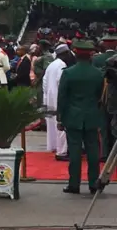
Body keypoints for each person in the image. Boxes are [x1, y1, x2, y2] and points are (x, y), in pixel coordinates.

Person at [57, 39, 105, 194]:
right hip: (91, 116)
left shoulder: (68, 73)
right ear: (91, 55)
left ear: (76, 54)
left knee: (75, 152)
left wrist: (60, 117)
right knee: (93, 151)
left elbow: (62, 97)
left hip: (73, 117)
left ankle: (74, 184)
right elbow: (99, 96)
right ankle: (93, 183)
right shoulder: (98, 74)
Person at [43, 44, 73, 160]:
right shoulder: (61, 65)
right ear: (64, 54)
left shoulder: (51, 65)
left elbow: (44, 83)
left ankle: (55, 146)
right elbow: (62, 83)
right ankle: (62, 152)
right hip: (58, 98)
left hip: (50, 97)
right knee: (61, 124)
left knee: (52, 124)